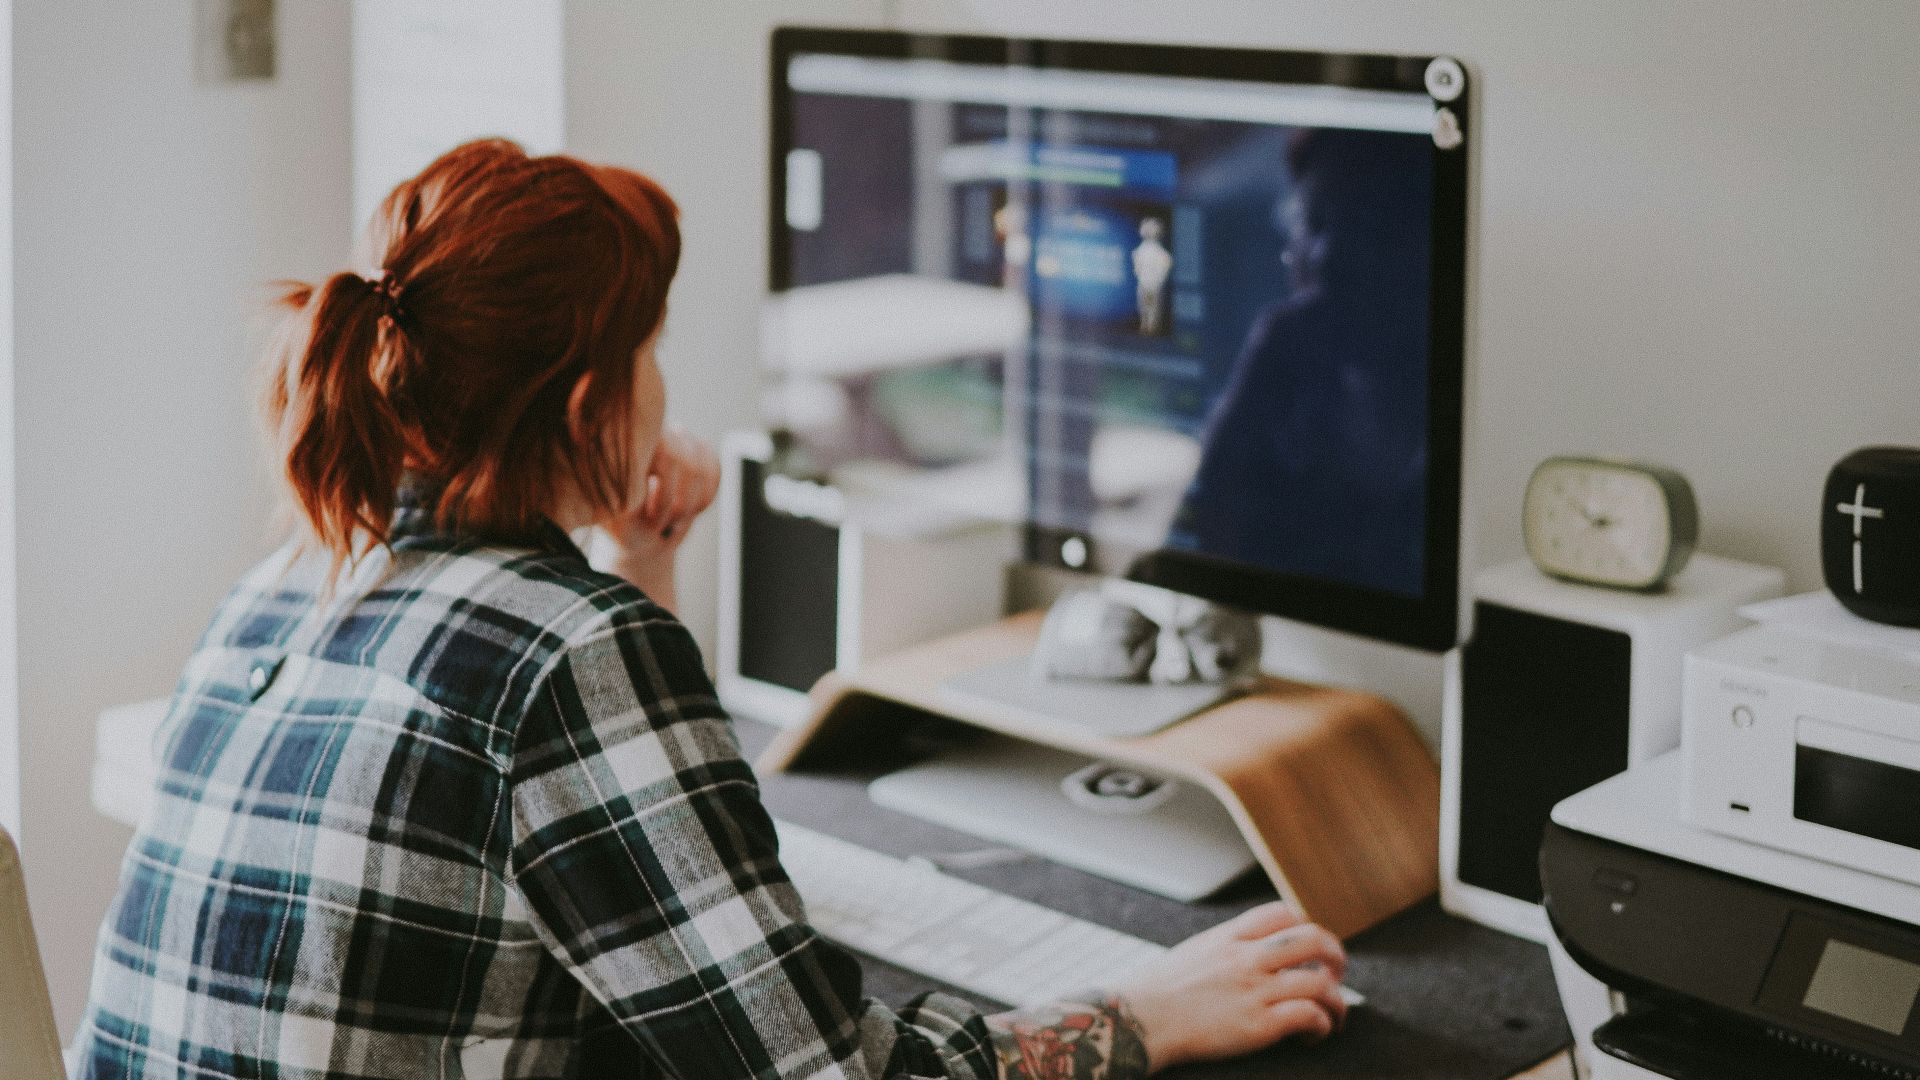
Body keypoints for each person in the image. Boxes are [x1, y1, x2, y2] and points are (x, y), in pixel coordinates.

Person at [70, 139, 1348, 1080]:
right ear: (590, 410)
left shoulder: (287, 583)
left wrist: (636, 555)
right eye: (652, 348)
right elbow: (829, 1077)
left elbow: (614, 864)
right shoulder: (571, 651)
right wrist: (1149, 1012)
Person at [1174, 129, 1433, 596]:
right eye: (1312, 221)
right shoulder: (1285, 363)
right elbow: (1195, 541)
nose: (1328, 254)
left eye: (1361, 223)